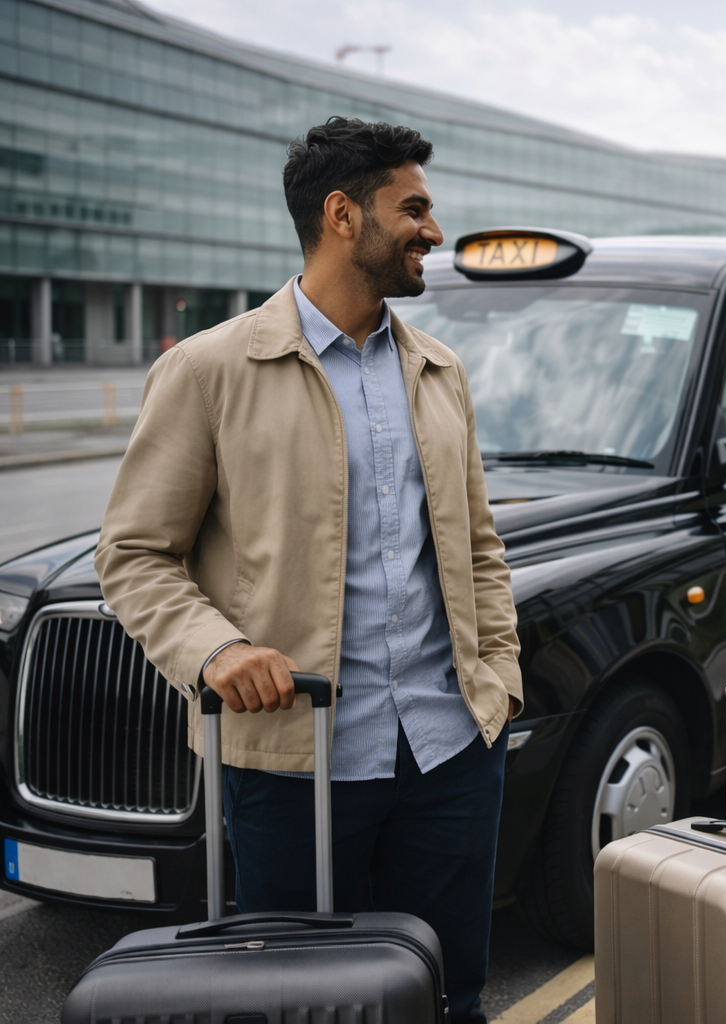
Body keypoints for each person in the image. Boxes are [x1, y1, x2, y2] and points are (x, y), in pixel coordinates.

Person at [95, 117, 521, 1024]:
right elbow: (135, 555)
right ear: (342, 215)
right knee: (302, 1005)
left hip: (449, 752)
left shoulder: (440, 371)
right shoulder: (211, 369)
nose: (432, 232)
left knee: (455, 998)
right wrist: (215, 651)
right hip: (294, 764)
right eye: (413, 209)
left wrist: (499, 690)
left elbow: (479, 550)